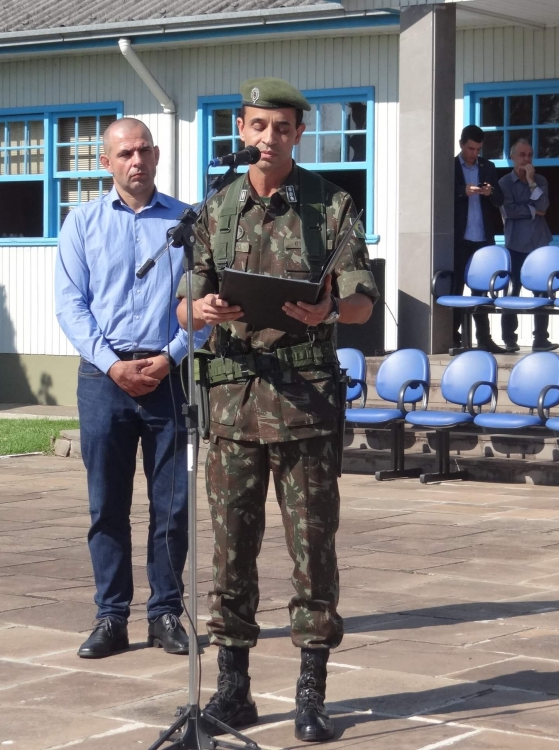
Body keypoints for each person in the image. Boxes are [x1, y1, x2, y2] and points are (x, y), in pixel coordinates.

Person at [177, 78, 377, 743]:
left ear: (298, 133)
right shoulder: (216, 210)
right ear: (242, 130)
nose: (270, 138)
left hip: (304, 408)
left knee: (311, 551)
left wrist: (329, 310)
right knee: (230, 554)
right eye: (259, 126)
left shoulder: (331, 206)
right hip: (232, 407)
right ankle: (234, 691)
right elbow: (187, 302)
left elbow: (363, 302)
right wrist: (199, 311)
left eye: (283, 127)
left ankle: (311, 690)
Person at [55, 118, 193, 660]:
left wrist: (172, 356)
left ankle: (165, 614)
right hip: (103, 380)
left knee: (172, 506)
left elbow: (203, 304)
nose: (136, 161)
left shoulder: (186, 223)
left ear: (156, 156)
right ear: (106, 162)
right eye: (124, 153)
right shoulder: (82, 223)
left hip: (168, 377)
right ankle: (111, 617)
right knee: (107, 504)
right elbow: (71, 304)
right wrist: (113, 366)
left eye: (143, 151)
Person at [498, 138, 558, 353]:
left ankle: (540, 339)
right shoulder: (504, 183)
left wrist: (532, 182)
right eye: (522, 155)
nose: (526, 159)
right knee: (512, 291)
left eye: (530, 155)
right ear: (512, 157)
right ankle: (509, 338)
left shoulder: (540, 180)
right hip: (515, 244)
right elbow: (509, 210)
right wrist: (532, 210)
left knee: (542, 292)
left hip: (539, 244)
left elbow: (543, 206)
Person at [453, 124, 505, 352]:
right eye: (471, 148)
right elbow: (438, 195)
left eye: (478, 149)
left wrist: (490, 192)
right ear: (462, 145)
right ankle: (454, 338)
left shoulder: (488, 167)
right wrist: (461, 191)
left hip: (483, 238)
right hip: (460, 238)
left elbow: (500, 200)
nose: (474, 153)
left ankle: (484, 339)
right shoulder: (451, 166)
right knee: (455, 289)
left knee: (481, 291)